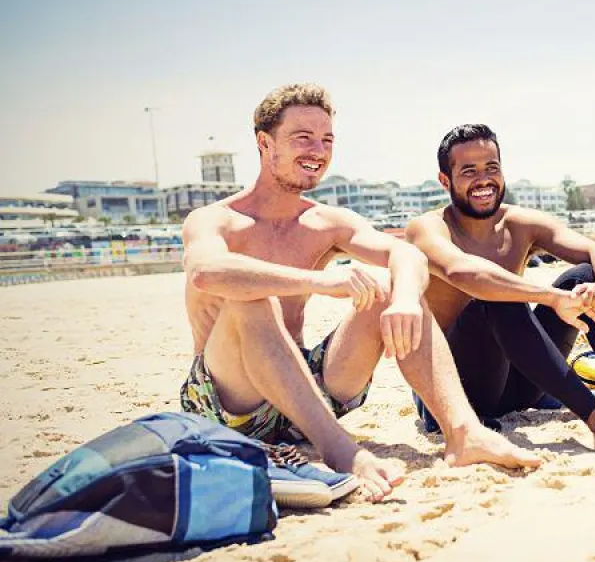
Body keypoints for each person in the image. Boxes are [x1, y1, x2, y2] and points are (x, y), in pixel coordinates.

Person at [181, 85, 540, 502]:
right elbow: (207, 272)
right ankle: (342, 453)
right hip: (228, 404)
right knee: (253, 298)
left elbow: (403, 252)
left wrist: (405, 299)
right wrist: (319, 281)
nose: (318, 150)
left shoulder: (324, 222)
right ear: (265, 143)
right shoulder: (215, 220)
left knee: (391, 283)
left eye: (326, 139)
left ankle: (465, 434)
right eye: (303, 138)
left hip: (306, 397)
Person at [406, 124, 595, 457]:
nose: (484, 179)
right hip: (457, 387)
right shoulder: (428, 228)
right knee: (498, 295)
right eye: (469, 171)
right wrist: (551, 299)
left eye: (492, 168)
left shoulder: (521, 223)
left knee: (581, 278)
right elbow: (463, 272)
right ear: (445, 181)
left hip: (522, 382)